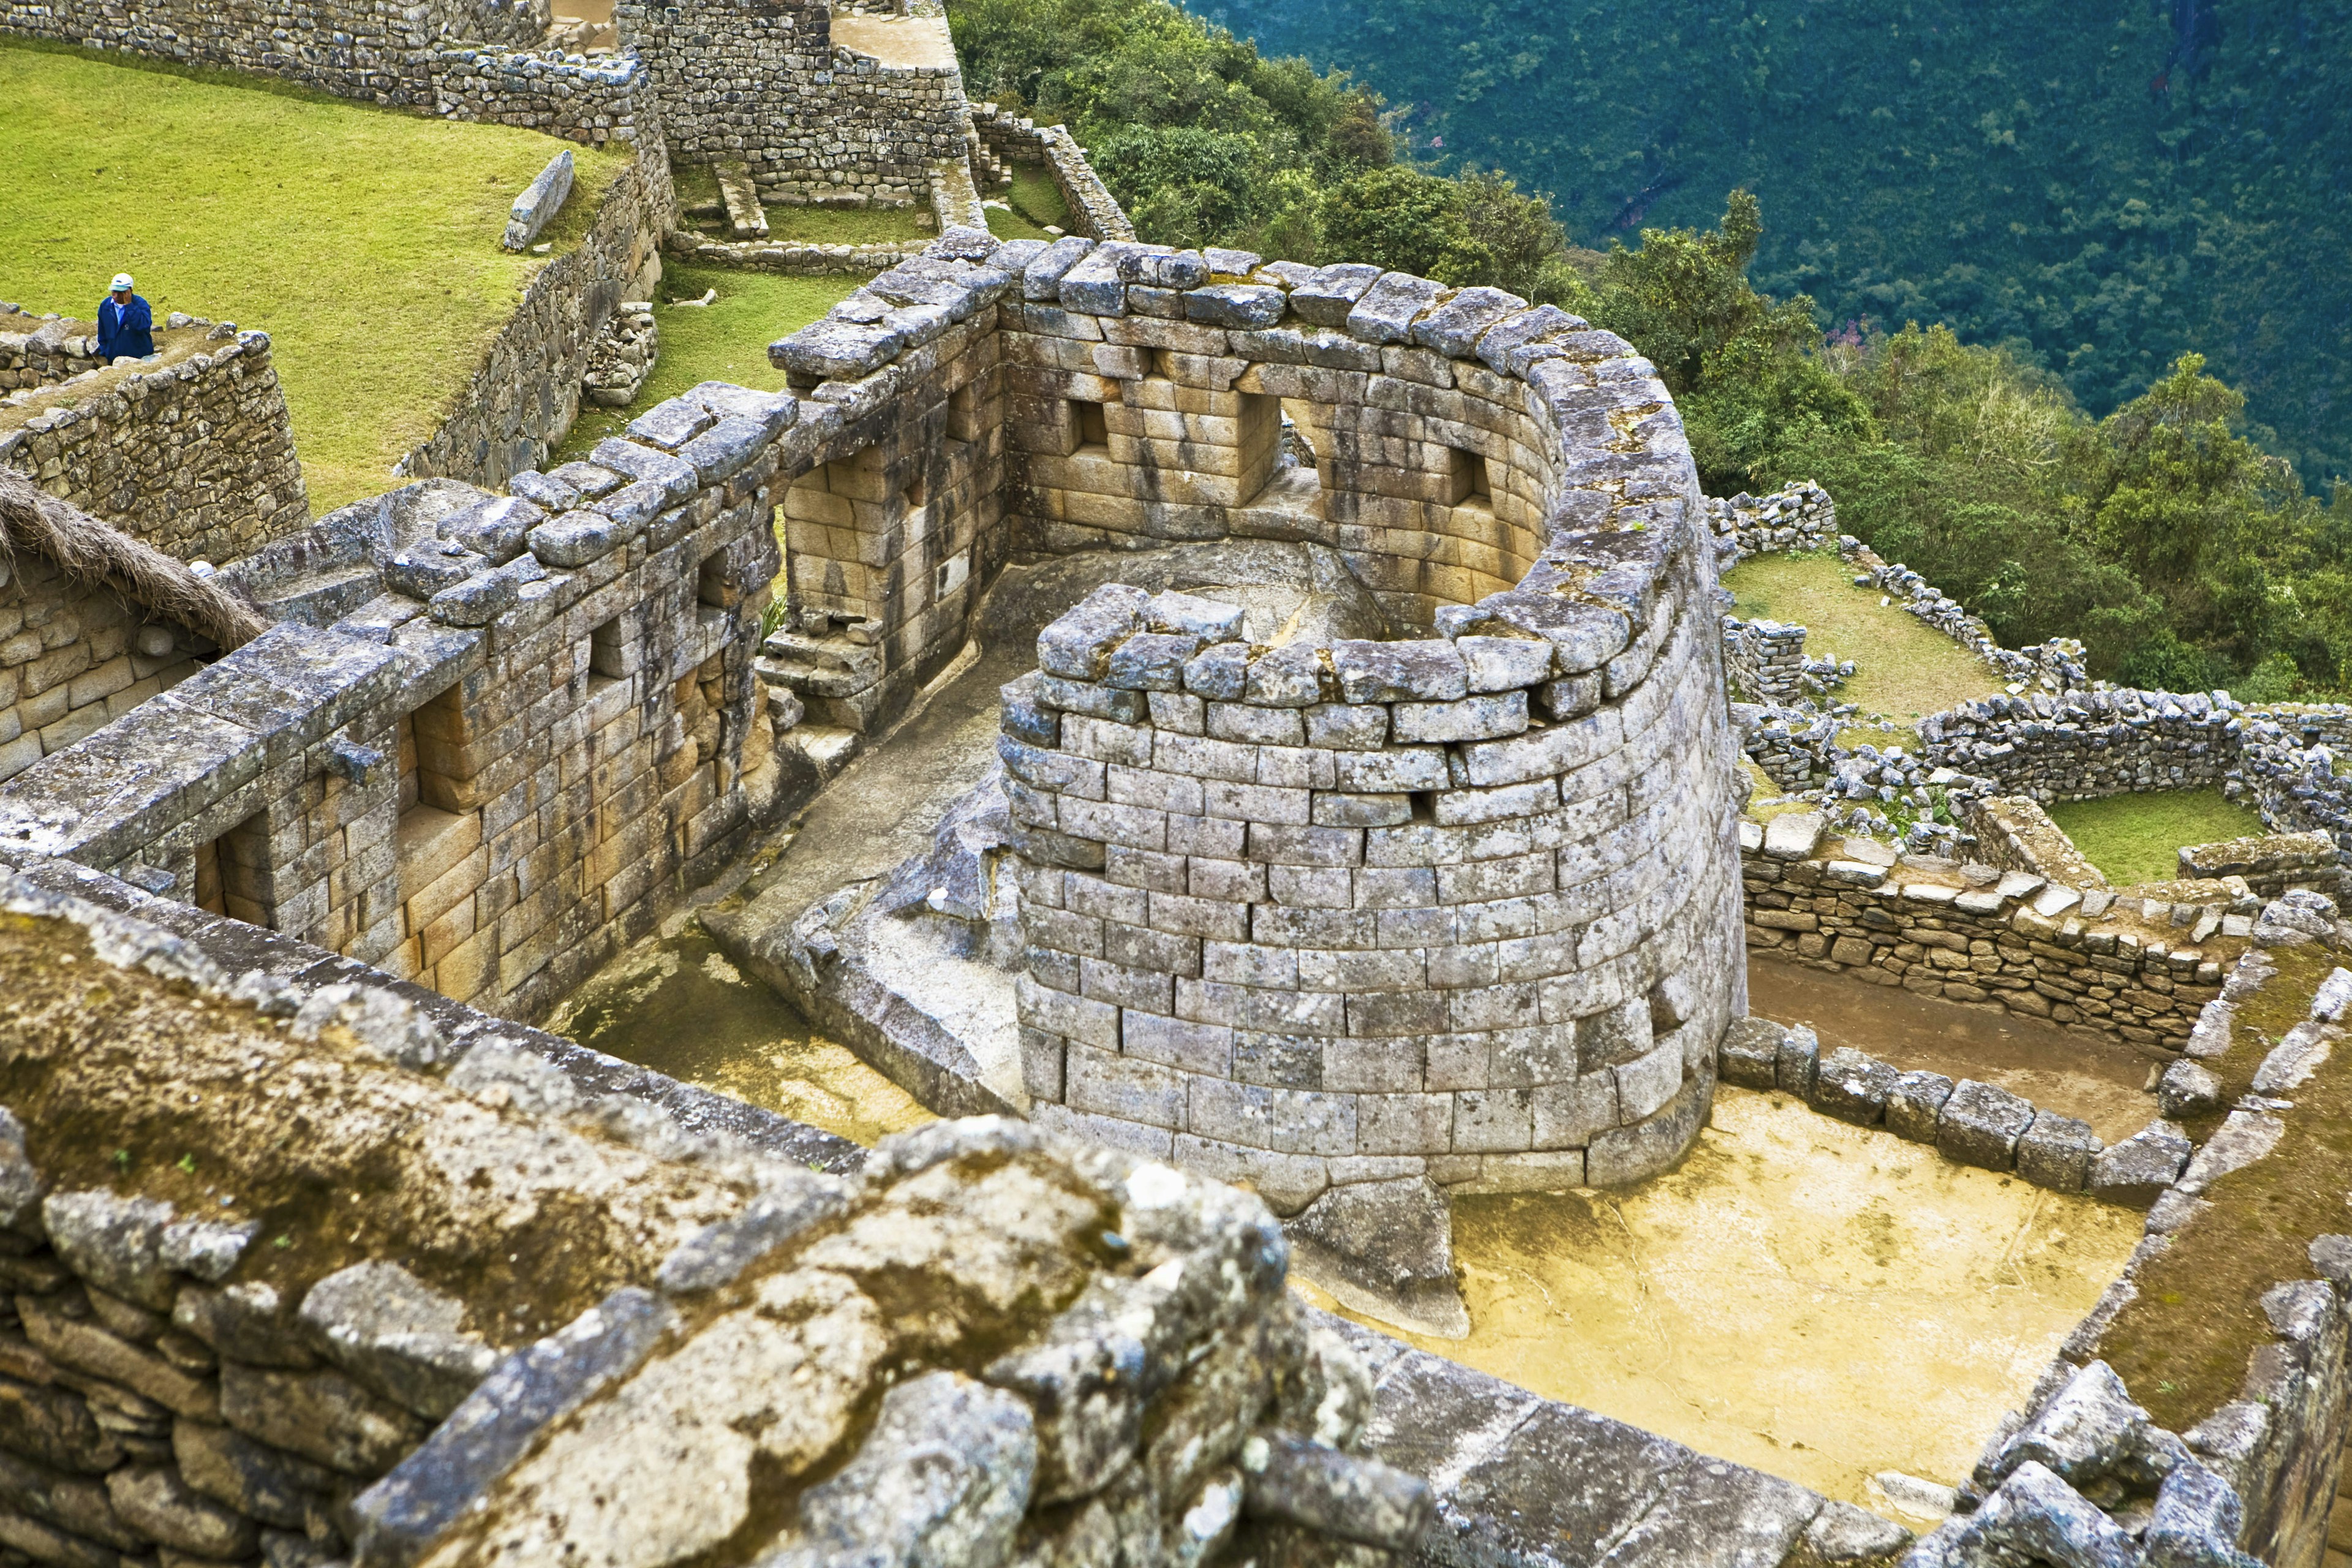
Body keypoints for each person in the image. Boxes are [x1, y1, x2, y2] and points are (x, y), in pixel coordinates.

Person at [96, 273, 154, 362]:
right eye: (114, 291)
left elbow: (143, 327)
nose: (115, 295)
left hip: (138, 360)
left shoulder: (141, 304)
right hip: (114, 360)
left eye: (120, 292)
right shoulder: (105, 306)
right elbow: (102, 333)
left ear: (129, 291)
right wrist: (106, 351)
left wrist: (129, 306)